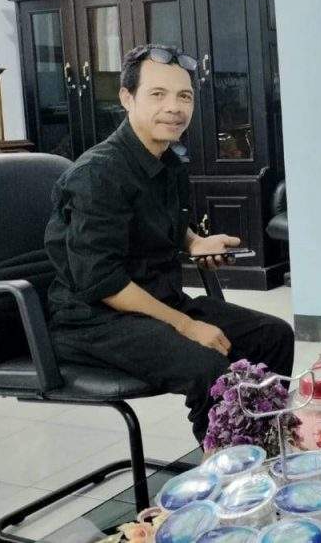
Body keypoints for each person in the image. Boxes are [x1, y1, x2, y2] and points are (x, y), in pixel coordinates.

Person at [45, 44, 295, 444]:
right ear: (127, 98)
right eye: (157, 94)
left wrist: (194, 242)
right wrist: (186, 325)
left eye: (184, 96)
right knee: (209, 368)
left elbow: (164, 223)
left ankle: (261, 444)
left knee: (273, 335)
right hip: (95, 320)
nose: (174, 108)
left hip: (157, 300)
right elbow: (102, 281)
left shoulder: (168, 162)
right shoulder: (97, 175)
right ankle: (224, 463)